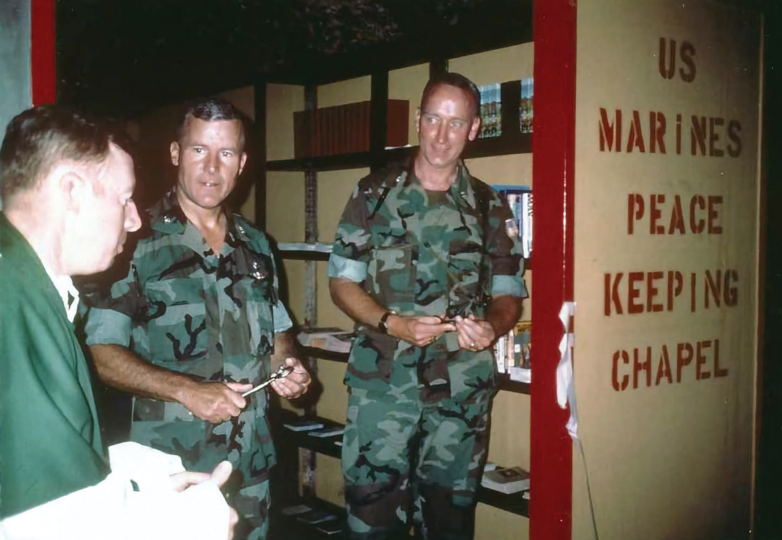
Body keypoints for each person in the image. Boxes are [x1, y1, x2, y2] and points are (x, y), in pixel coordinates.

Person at [0, 105, 237, 539]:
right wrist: (187, 527)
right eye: (124, 198)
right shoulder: (13, 304)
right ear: (71, 191)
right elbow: (36, 523)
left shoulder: (27, 287)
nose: (135, 219)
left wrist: (133, 489)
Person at [84, 97, 311, 540]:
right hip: (174, 470)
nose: (211, 167)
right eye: (198, 150)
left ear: (242, 162)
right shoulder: (133, 241)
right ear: (175, 154)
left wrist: (289, 369)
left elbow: (279, 332)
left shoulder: (258, 246)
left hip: (252, 465)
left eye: (225, 153)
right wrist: (186, 390)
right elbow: (102, 353)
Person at [328, 73, 527, 540]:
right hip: (384, 389)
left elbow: (509, 293)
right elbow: (341, 282)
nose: (441, 135)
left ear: (474, 129)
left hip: (459, 393)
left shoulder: (488, 206)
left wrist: (493, 327)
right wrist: (391, 322)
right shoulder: (373, 194)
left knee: (450, 522)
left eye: (455, 123)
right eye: (433, 119)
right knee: (372, 522)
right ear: (418, 120)